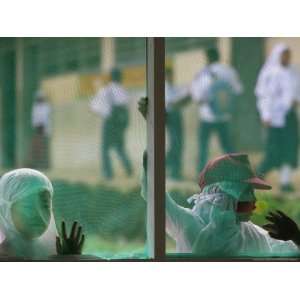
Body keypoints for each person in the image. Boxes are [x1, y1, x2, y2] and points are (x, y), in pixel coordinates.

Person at [138, 97, 299, 257]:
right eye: (245, 192)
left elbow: (290, 249)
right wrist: (155, 129)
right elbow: (156, 195)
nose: (254, 201)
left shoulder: (252, 233)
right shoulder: (188, 223)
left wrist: (295, 236)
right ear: (221, 196)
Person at [0, 168, 85, 259]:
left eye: (45, 205)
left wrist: (70, 258)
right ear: (5, 209)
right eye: (28, 207)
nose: (38, 214)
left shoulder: (56, 252)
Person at [190, 47, 243, 173]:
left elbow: (197, 97)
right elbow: (238, 90)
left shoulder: (203, 73)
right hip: (224, 115)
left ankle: (201, 173)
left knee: (203, 146)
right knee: (228, 145)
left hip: (207, 116)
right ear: (218, 56)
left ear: (208, 58)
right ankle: (238, 171)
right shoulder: (229, 71)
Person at [255, 43, 300, 192]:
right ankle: (258, 175)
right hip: (274, 118)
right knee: (273, 150)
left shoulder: (294, 72)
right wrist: (265, 114)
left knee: (290, 148)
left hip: (289, 116)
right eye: (284, 55)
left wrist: (296, 100)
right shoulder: (270, 73)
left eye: (288, 55)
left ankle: (285, 182)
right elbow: (263, 96)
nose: (287, 58)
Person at [90, 68, 133, 179]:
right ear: (120, 78)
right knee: (120, 147)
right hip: (121, 123)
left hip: (109, 122)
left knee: (105, 149)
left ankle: (108, 173)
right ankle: (129, 168)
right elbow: (127, 108)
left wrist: (104, 113)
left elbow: (93, 107)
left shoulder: (105, 90)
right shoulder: (124, 90)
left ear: (111, 77)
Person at [165, 66, 190, 180]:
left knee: (178, 144)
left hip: (176, 117)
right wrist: (183, 100)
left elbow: (181, 101)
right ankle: (174, 172)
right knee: (176, 145)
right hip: (170, 117)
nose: (171, 77)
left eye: (172, 75)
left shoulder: (174, 87)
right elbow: (172, 104)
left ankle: (168, 167)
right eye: (169, 75)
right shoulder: (165, 88)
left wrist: (185, 99)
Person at [30, 90, 52, 169]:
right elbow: (35, 120)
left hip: (44, 130)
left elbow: (46, 119)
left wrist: (45, 129)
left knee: (44, 148)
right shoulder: (35, 107)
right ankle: (37, 164)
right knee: (37, 148)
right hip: (38, 130)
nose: (40, 100)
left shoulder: (46, 107)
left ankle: (45, 165)